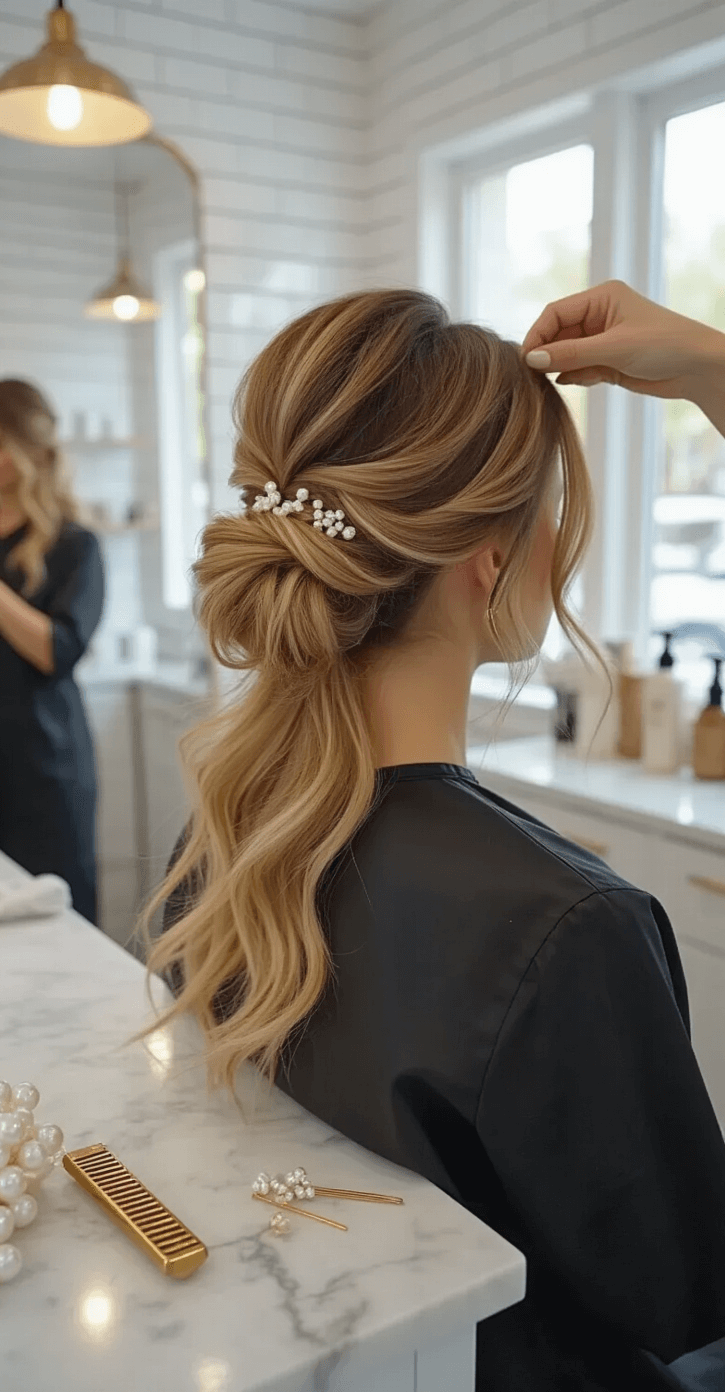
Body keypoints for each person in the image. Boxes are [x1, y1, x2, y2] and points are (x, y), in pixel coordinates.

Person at [139, 281, 725, 1392]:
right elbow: (689, 1299)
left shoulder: (228, 838)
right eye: (547, 511)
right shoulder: (564, 930)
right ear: (490, 563)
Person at [0, 380, 104, 923]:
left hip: (44, 771)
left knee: (62, 923)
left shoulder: (75, 545)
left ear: (29, 448)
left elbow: (57, 652)